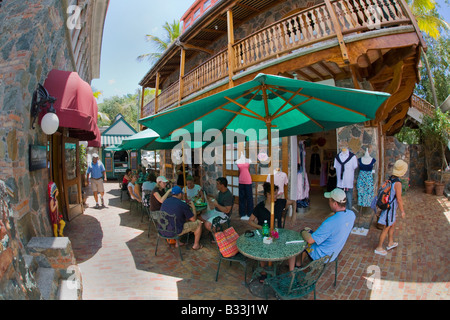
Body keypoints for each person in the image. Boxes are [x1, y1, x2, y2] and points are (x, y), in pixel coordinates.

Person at [288, 188, 355, 271]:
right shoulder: (351, 215)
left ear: (335, 203)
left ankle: (295, 267)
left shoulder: (330, 222)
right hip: (334, 252)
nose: (328, 202)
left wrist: (303, 231)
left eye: (330, 200)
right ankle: (298, 263)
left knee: (303, 237)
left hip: (322, 255)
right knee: (310, 232)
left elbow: (310, 240)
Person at [374, 159, 407, 256]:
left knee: (392, 224)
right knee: (386, 227)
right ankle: (379, 247)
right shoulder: (398, 184)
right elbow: (399, 199)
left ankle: (390, 242)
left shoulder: (391, 178)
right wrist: (402, 211)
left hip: (390, 208)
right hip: (390, 209)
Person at [160, 186, 203, 250]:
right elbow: (193, 219)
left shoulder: (165, 201)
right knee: (199, 223)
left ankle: (178, 243)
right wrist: (193, 207)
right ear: (180, 194)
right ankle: (196, 245)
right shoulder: (182, 204)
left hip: (162, 229)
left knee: (178, 220)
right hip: (174, 231)